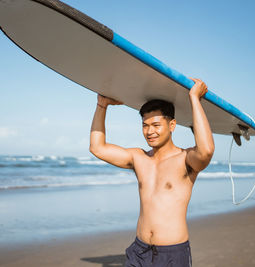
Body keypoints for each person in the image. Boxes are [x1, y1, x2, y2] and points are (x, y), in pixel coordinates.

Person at [89, 78, 214, 267]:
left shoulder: (185, 159)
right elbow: (97, 148)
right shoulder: (139, 158)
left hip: (172, 253)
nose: (149, 131)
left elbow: (206, 151)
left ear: (172, 126)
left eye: (156, 125)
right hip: (139, 251)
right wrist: (102, 105)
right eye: (145, 125)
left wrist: (194, 98)